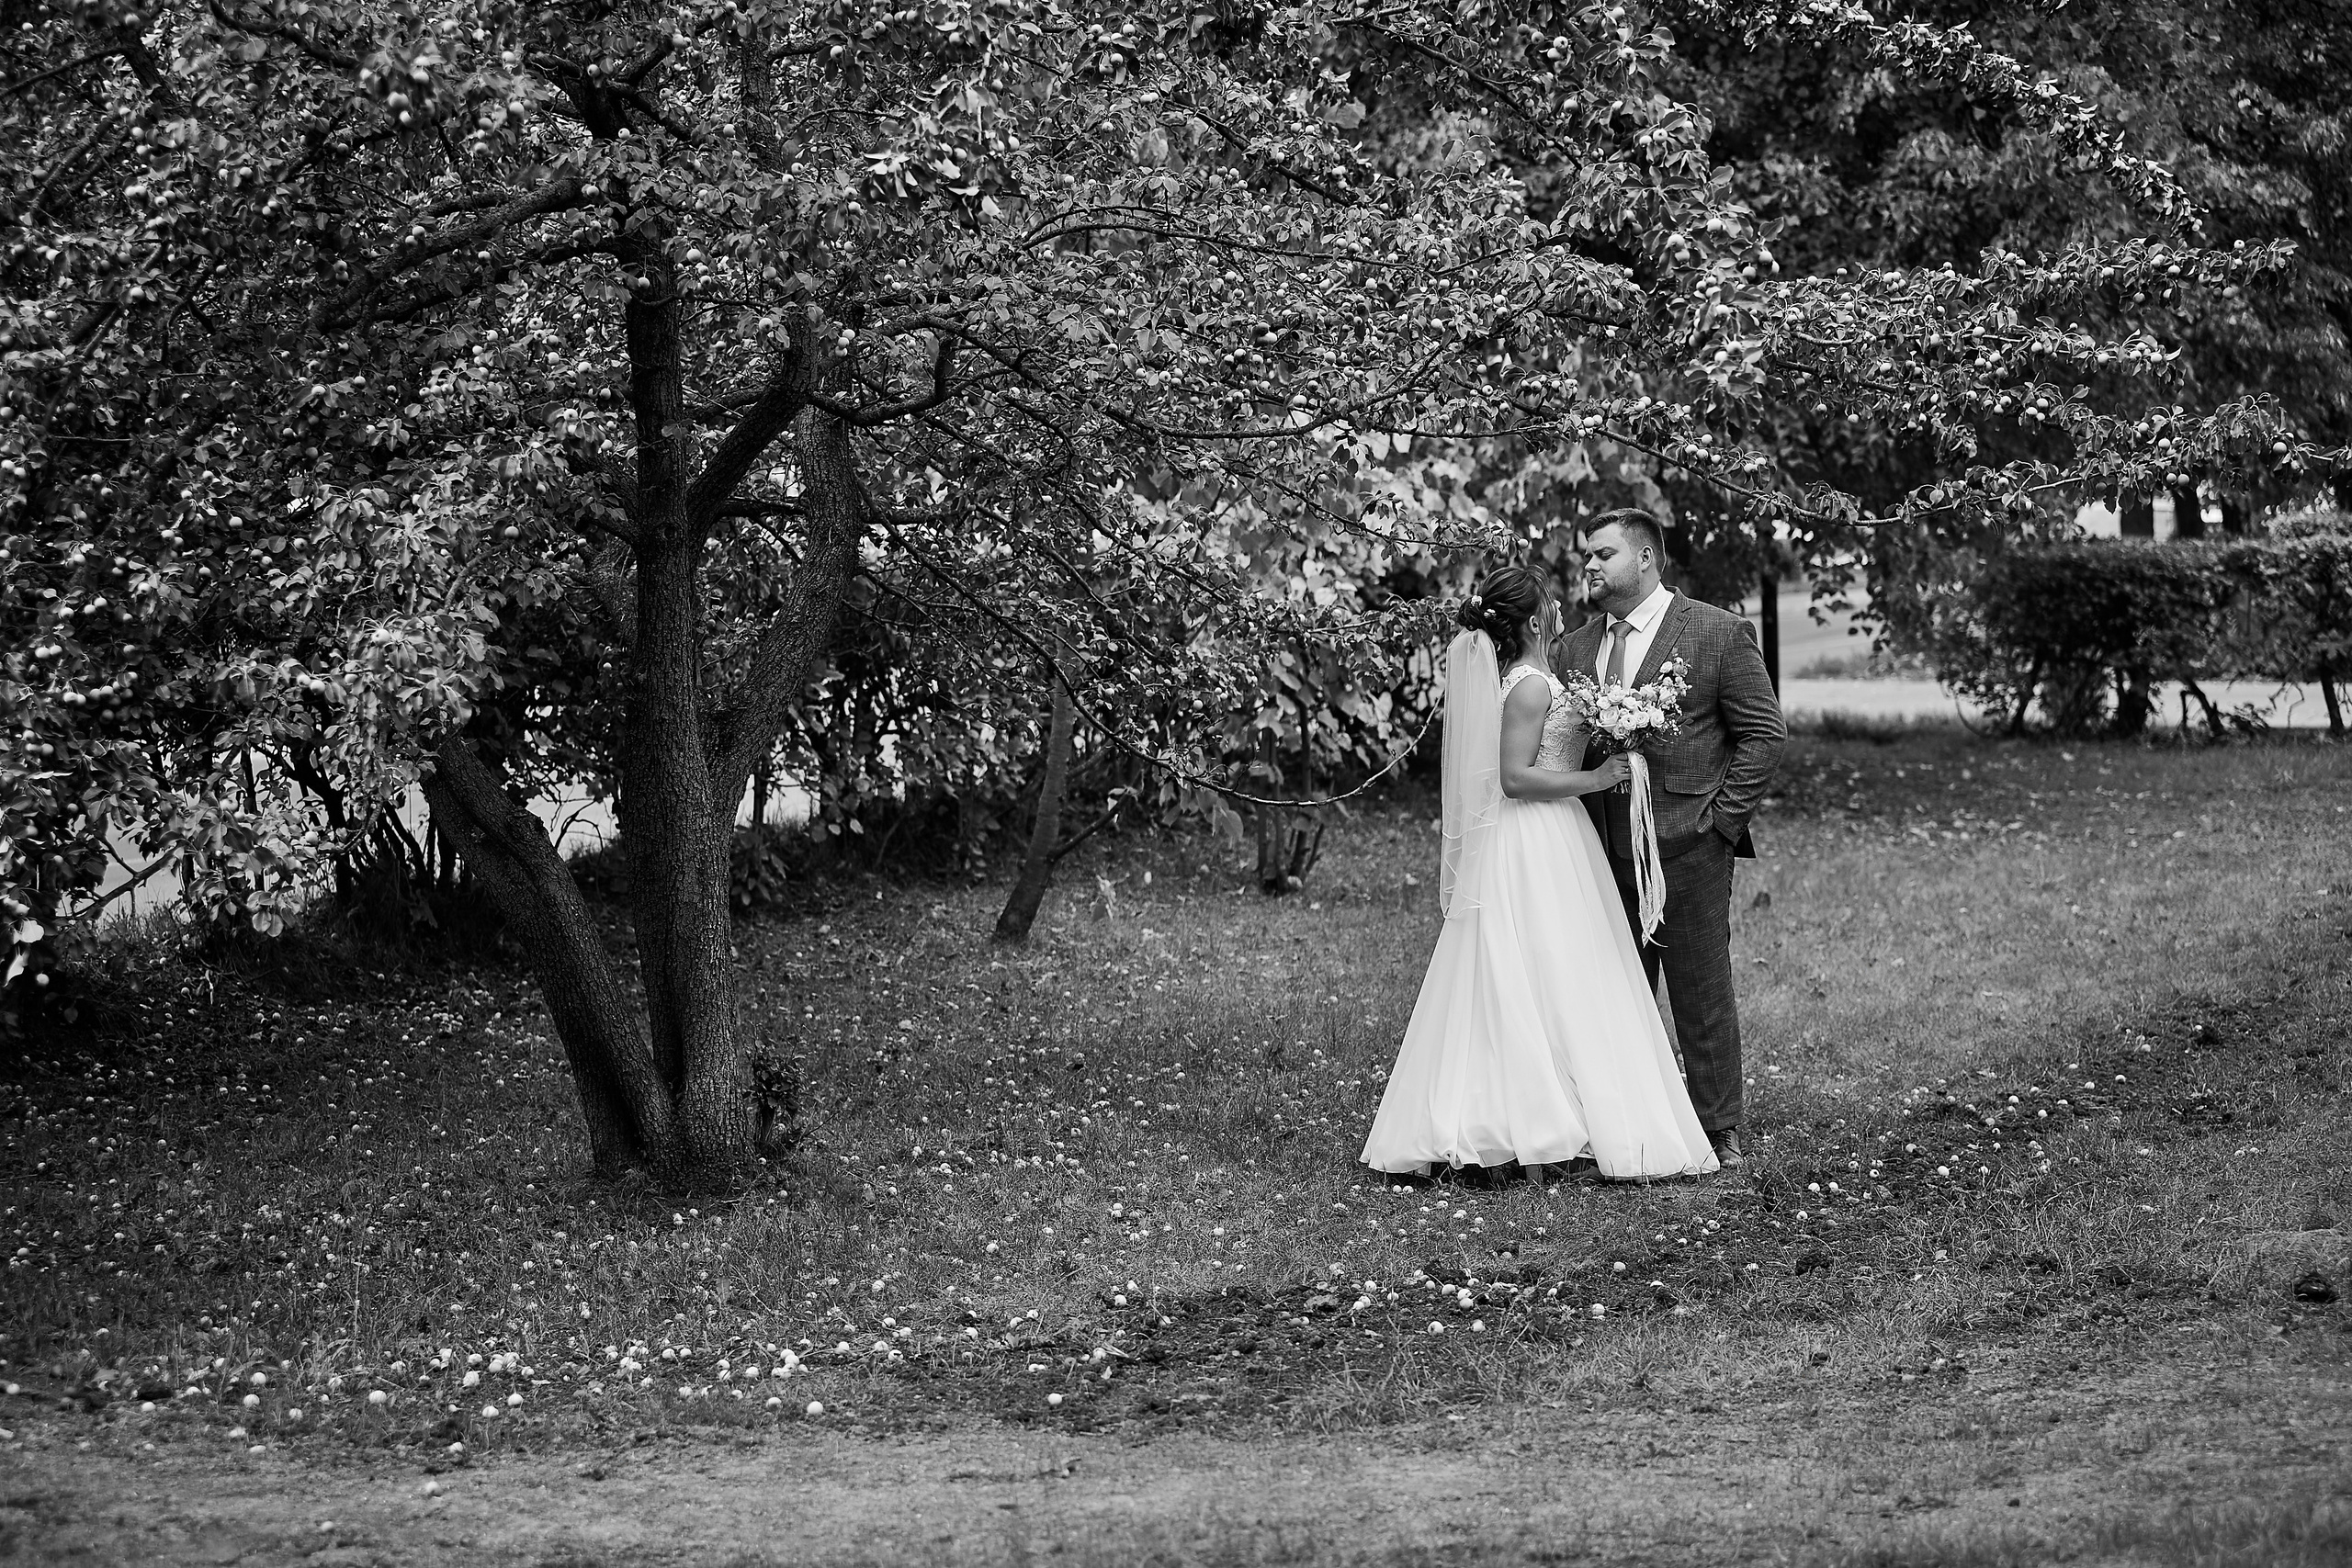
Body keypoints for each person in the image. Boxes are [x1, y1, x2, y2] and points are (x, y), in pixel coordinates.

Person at [1360, 564, 1720, 1182]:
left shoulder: (1537, 679)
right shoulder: (1529, 687)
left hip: (1555, 834)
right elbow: (1514, 778)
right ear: (1532, 619)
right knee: (1542, 968)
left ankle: (1549, 1115)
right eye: (1549, 604)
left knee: (1553, 971)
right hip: (1535, 835)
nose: (1557, 610)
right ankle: (1531, 1125)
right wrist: (1598, 778)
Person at [1564, 510, 1787, 1169]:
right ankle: (1616, 1119)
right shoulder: (1576, 648)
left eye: (1604, 554)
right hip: (1601, 849)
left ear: (1646, 559)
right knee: (1609, 989)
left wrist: (1719, 823)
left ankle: (1719, 1126)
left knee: (1700, 986)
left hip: (1689, 845)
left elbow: (1764, 735)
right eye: (1586, 557)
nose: (1591, 567)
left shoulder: (1717, 633)